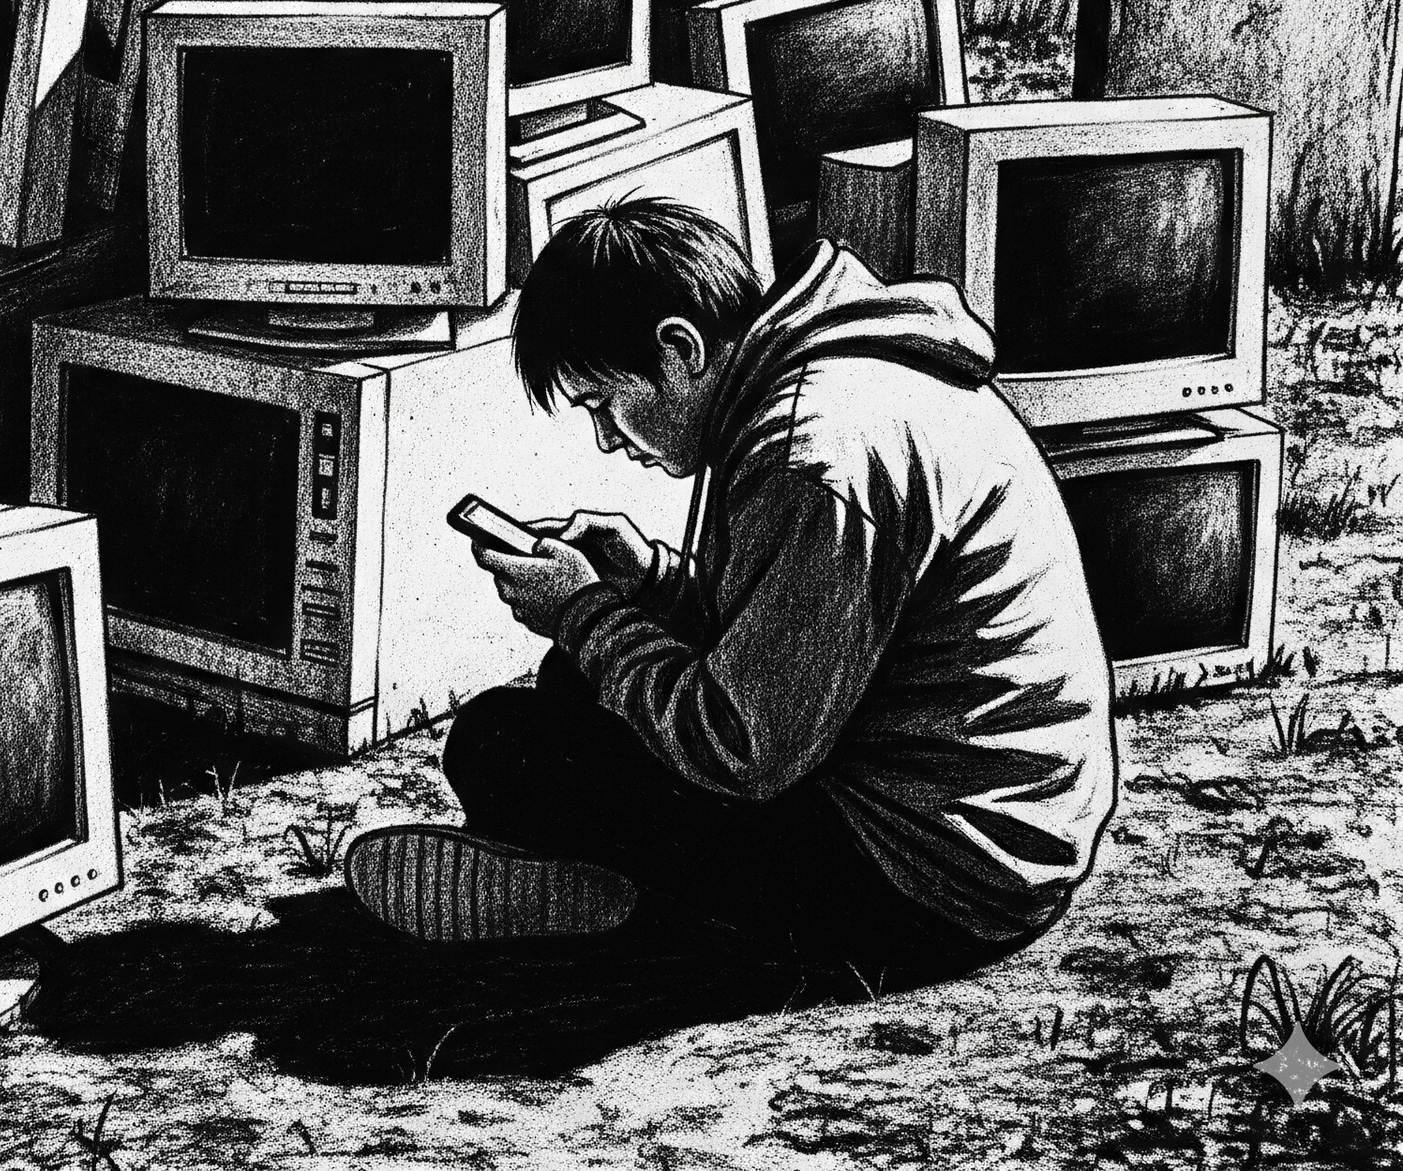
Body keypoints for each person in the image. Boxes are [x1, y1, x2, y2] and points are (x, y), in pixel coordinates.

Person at [344, 202, 1117, 983]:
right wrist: (646, 579)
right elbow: (795, 636)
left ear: (678, 350)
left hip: (933, 880)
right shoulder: (837, 376)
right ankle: (579, 880)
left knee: (506, 746)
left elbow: (743, 749)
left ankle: (621, 902)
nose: (607, 437)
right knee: (571, 690)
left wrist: (584, 611)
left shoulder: (808, 454)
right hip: (982, 824)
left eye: (602, 402)